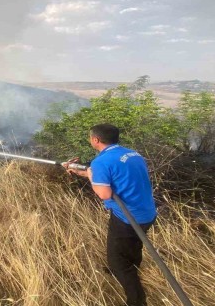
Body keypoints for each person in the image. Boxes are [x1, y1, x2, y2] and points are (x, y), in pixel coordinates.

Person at [64, 123, 157, 306]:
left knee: (117, 262)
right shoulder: (131, 153)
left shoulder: (101, 162)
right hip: (147, 212)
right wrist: (81, 171)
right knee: (134, 245)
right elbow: (112, 176)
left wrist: (91, 172)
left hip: (128, 217)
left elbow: (104, 193)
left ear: (95, 140)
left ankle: (137, 300)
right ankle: (132, 267)